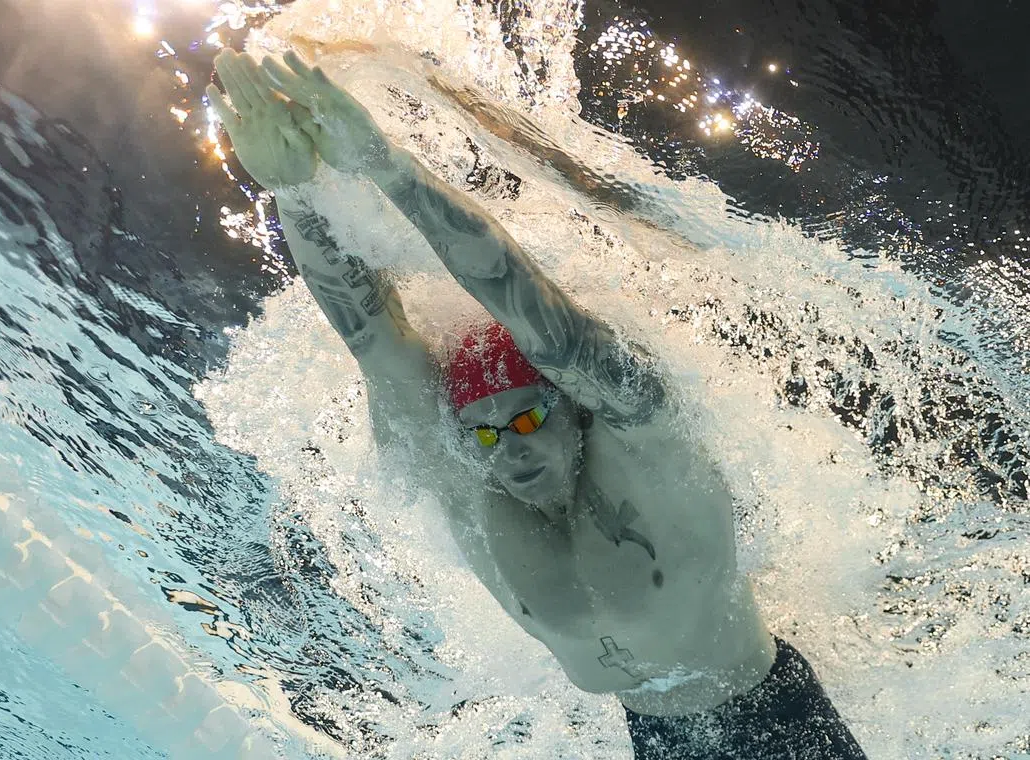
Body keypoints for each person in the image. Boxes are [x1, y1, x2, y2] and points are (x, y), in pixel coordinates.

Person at [208, 48, 868, 759]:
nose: (510, 447)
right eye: (487, 433)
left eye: (528, 417)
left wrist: (384, 165)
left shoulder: (647, 443)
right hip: (654, 738)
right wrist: (296, 190)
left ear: (573, 405)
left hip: (770, 721)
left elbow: (548, 322)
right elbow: (373, 340)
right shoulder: (471, 478)